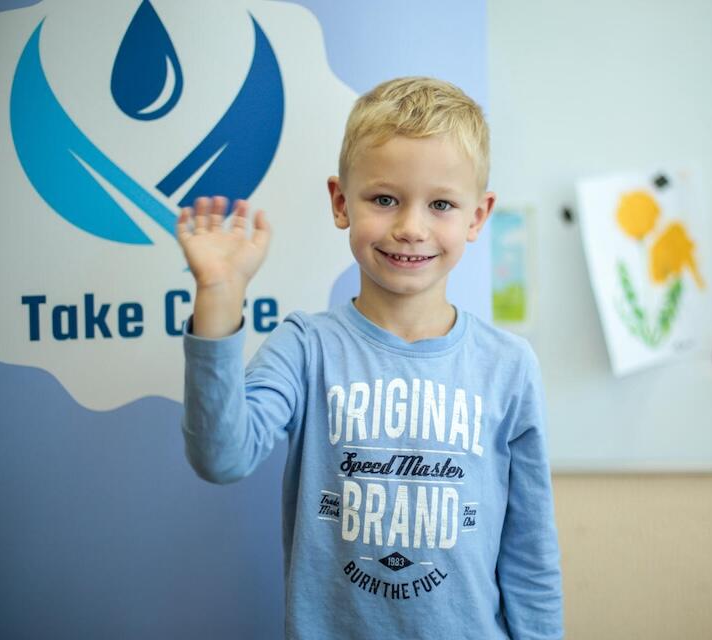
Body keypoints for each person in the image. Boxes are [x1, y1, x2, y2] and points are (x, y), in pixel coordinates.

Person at [176, 77, 563, 639]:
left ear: (478, 216)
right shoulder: (305, 347)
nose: (410, 227)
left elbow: (530, 554)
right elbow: (221, 457)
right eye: (385, 199)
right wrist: (218, 294)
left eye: (441, 204)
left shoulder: (510, 367)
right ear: (341, 202)